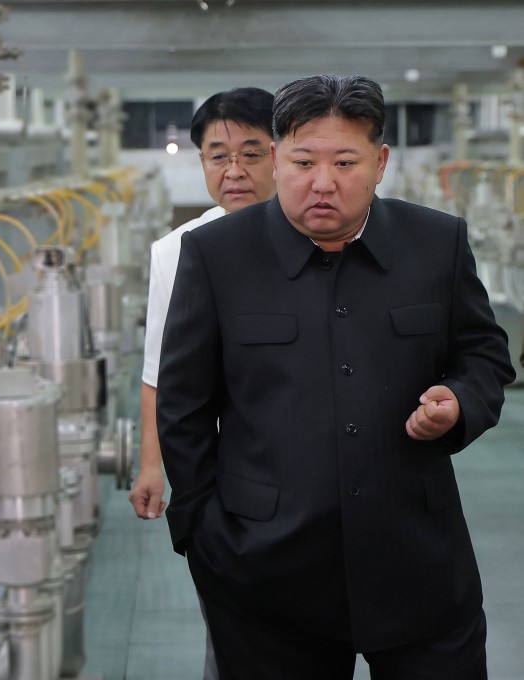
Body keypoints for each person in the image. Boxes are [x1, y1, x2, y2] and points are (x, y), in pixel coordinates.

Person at [156, 74, 516, 680]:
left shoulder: (437, 244)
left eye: (345, 162)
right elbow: (184, 403)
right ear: (277, 158)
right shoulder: (218, 255)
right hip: (264, 571)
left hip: (417, 558)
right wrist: (200, 531)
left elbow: (484, 354)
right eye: (303, 161)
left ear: (379, 163)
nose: (323, 183)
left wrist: (459, 400)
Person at [129, 87, 276, 680]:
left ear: (281, 153)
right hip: (228, 473)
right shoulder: (177, 250)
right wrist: (150, 464)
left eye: (250, 152)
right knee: (236, 631)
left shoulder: (320, 231)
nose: (233, 170)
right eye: (218, 155)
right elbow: (160, 368)